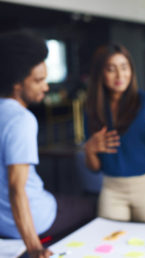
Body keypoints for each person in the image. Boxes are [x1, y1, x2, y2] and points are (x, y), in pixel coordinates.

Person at [84, 44, 145, 224]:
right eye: (111, 69)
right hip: (112, 187)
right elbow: (94, 168)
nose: (120, 75)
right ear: (100, 74)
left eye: (124, 67)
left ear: (131, 70)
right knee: (109, 244)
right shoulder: (93, 109)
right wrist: (89, 149)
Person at [0, 30, 56, 257]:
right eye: (38, 80)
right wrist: (34, 248)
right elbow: (16, 188)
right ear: (16, 84)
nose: (46, 87)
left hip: (2, 225)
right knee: (87, 207)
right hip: (29, 226)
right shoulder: (21, 119)